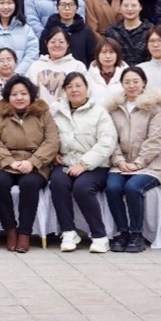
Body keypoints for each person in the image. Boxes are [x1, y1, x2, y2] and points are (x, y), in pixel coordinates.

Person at [0, 75, 58, 253]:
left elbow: (52, 141)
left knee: (30, 183)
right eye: (14, 94)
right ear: (7, 97)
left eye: (23, 94)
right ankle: (10, 229)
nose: (19, 98)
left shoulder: (43, 113)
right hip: (5, 162)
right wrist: (9, 162)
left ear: (31, 95)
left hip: (35, 163)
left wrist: (33, 162)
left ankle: (25, 232)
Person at [49, 73, 117, 253]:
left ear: (87, 88)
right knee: (57, 182)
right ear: (64, 91)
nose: (74, 90)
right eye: (69, 86)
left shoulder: (99, 112)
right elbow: (48, 136)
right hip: (66, 162)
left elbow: (107, 141)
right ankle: (69, 232)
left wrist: (84, 164)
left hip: (95, 165)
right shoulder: (56, 111)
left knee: (82, 187)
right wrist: (54, 152)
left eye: (78, 85)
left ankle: (99, 236)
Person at [105, 66, 161, 254]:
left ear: (143, 83)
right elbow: (110, 137)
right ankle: (122, 232)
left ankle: (136, 234)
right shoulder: (114, 108)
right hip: (121, 164)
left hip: (149, 165)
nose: (131, 86)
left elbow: (157, 139)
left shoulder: (154, 108)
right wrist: (118, 160)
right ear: (122, 84)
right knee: (113, 187)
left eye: (135, 81)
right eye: (127, 82)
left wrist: (139, 162)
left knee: (133, 188)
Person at [26, 26, 86, 105]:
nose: (57, 45)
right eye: (53, 42)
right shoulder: (35, 66)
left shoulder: (78, 66)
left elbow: (84, 93)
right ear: (46, 43)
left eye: (61, 42)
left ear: (68, 44)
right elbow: (27, 91)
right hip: (40, 114)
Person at [39, 0, 97, 65]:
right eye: (63, 5)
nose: (67, 8)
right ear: (57, 7)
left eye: (71, 5)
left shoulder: (85, 31)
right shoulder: (49, 30)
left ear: (77, 7)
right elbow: (43, 53)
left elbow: (91, 57)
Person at [105, 0, 154, 66]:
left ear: (140, 7)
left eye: (133, 5)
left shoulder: (151, 30)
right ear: (120, 7)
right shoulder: (112, 31)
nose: (129, 9)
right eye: (125, 5)